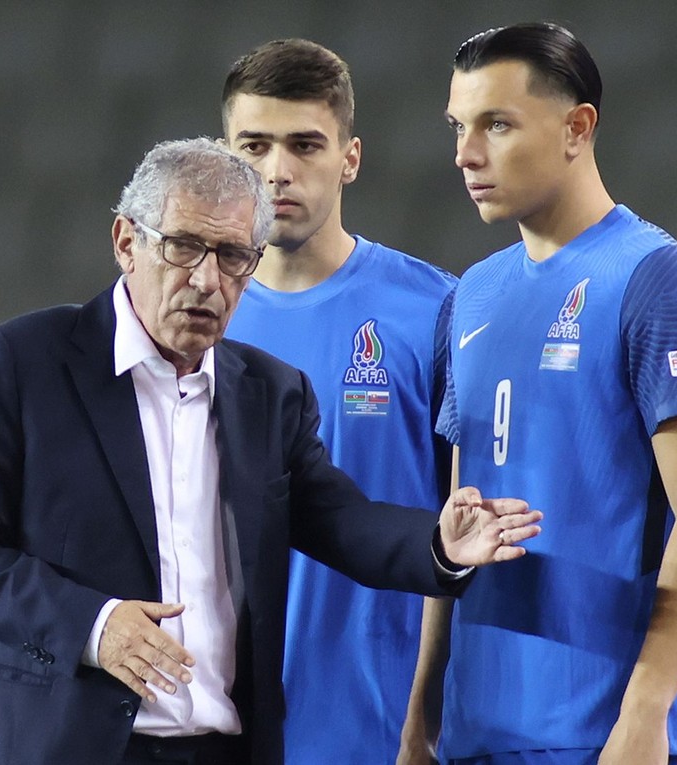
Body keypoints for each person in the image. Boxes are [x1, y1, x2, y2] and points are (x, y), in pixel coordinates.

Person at [0, 137, 541, 765]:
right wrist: (95, 625)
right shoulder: (24, 363)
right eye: (183, 246)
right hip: (61, 744)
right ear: (126, 242)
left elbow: (340, 520)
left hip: (225, 749)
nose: (207, 280)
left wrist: (439, 546)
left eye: (234, 256)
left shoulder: (270, 392)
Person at [399, 23, 677, 765]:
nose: (465, 153)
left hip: (603, 739)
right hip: (474, 737)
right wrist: (421, 717)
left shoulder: (656, 280)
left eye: (496, 124)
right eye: (459, 127)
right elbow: (453, 525)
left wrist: (645, 713)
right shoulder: (472, 294)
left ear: (576, 128)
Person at [219, 39, 458, 765]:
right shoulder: (190, 322)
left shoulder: (435, 310)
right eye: (253, 145)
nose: (276, 170)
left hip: (382, 732)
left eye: (305, 145)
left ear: (350, 158)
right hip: (219, 731)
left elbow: (458, 526)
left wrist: (425, 721)